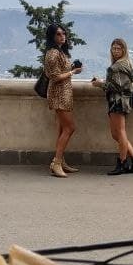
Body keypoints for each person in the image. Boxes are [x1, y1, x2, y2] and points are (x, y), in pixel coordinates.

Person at [90, 37, 133, 175]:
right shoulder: (126, 64)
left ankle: (123, 163)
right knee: (116, 134)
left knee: (120, 132)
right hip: (121, 101)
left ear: (124, 50)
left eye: (119, 48)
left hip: (118, 101)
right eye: (114, 48)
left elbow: (117, 87)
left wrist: (100, 84)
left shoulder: (117, 67)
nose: (116, 51)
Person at [42, 24, 83, 177]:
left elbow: (61, 70)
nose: (62, 36)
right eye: (58, 34)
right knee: (70, 128)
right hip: (59, 94)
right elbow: (55, 77)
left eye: (63, 33)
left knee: (62, 129)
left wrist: (72, 68)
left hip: (63, 93)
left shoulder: (59, 52)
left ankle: (61, 161)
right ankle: (56, 162)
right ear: (52, 36)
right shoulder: (53, 53)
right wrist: (73, 72)